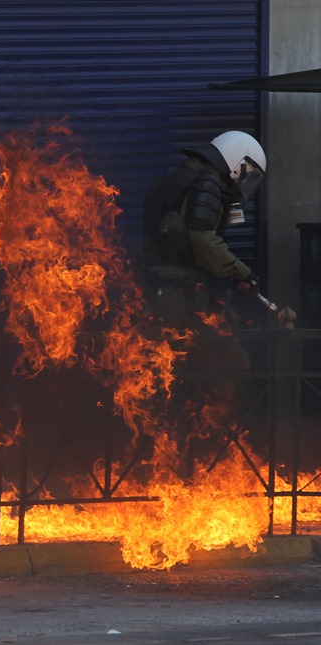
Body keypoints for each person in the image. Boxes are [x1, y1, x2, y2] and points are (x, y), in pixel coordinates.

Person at [139, 130, 267, 457]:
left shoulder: (180, 179)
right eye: (248, 173)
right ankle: (207, 453)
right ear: (237, 162)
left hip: (163, 294)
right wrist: (242, 272)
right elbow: (204, 242)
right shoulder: (207, 185)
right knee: (227, 362)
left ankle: (170, 455)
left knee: (171, 376)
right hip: (180, 297)